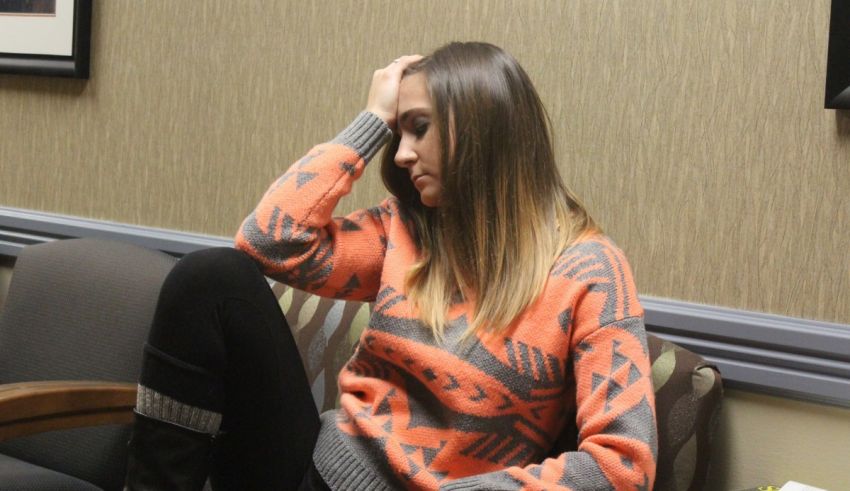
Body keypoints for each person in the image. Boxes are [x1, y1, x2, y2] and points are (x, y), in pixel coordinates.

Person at [124, 41, 657, 490]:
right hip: (317, 471)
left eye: (418, 128)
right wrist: (371, 121)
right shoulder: (404, 229)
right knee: (210, 278)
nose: (401, 154)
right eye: (398, 132)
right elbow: (270, 241)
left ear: (480, 128)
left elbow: (623, 464)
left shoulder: (590, 271)